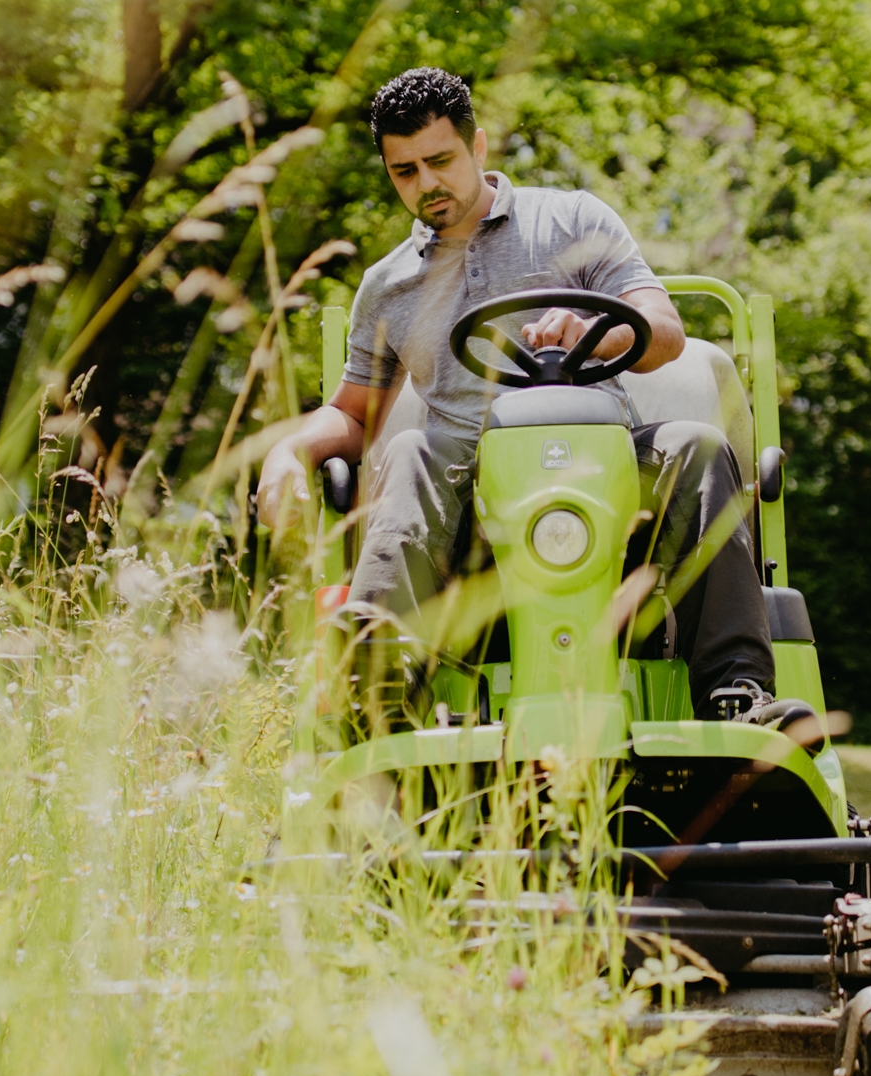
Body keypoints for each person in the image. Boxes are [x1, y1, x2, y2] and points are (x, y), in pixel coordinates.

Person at [258, 67, 798, 724]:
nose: (426, 184)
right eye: (404, 171)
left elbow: (663, 332)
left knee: (696, 445)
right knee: (407, 449)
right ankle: (379, 688)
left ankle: (736, 695)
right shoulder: (388, 285)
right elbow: (350, 413)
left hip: (606, 471)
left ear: (477, 147)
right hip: (469, 500)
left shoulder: (572, 218)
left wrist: (593, 331)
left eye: (439, 161)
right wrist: (287, 451)